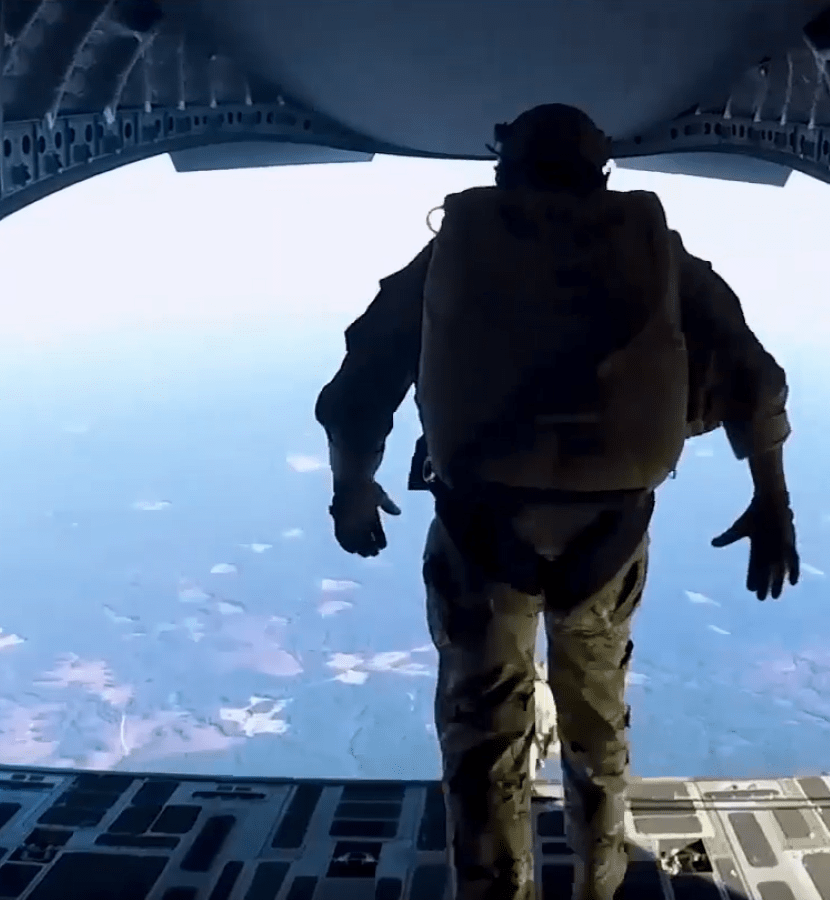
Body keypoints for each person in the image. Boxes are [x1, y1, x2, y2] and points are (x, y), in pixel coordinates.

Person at [315, 103, 798, 900]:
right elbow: (754, 375)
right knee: (596, 728)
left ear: (502, 167)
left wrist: (352, 488)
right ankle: (598, 883)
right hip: (610, 535)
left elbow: (361, 383)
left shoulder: (455, 248)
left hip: (480, 530)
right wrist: (771, 498)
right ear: (600, 170)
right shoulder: (656, 251)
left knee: (483, 745)